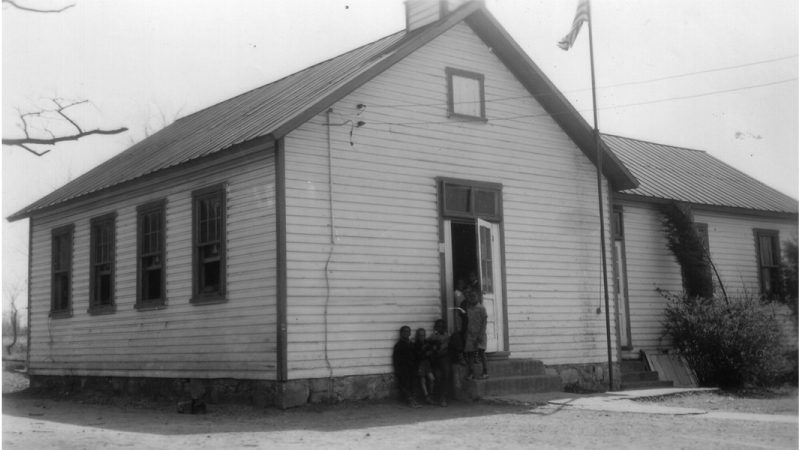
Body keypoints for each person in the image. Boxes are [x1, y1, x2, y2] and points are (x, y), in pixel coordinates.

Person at [393, 326, 420, 408]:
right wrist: (397, 370)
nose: (406, 333)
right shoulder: (398, 345)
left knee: (414, 383)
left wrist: (416, 367)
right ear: (400, 334)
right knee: (405, 384)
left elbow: (416, 356)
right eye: (404, 332)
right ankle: (409, 400)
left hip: (412, 367)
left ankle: (414, 399)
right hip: (403, 368)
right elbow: (396, 359)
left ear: (410, 333)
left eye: (407, 332)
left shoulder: (412, 344)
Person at [464, 290, 489, 380]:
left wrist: (481, 334)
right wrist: (467, 332)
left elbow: (484, 321)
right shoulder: (469, 309)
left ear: (478, 297)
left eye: (474, 296)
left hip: (479, 334)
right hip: (471, 334)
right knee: (470, 353)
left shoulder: (481, 308)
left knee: (481, 352)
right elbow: (469, 322)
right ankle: (471, 373)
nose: (472, 298)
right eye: (471, 296)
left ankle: (485, 372)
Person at [427, 319, 451, 407]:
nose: (440, 329)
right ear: (435, 327)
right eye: (438, 327)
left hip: (444, 357)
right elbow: (431, 346)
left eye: (442, 327)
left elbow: (445, 347)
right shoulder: (433, 336)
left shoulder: (447, 337)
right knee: (436, 375)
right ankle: (437, 396)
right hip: (435, 358)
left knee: (446, 372)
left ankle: (443, 397)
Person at [414, 328, 436, 405]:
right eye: (420, 336)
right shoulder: (416, 345)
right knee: (423, 380)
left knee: (432, 379)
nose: (422, 337)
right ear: (417, 336)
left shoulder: (427, 343)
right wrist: (427, 353)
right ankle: (426, 396)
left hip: (427, 363)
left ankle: (431, 394)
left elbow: (434, 346)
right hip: (421, 363)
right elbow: (418, 356)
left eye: (423, 335)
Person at [451, 280, 468, 365]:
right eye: (459, 283)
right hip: (458, 314)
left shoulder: (466, 293)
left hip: (466, 314)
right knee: (458, 332)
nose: (461, 285)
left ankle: (467, 356)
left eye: (462, 283)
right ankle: (461, 356)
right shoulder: (455, 293)